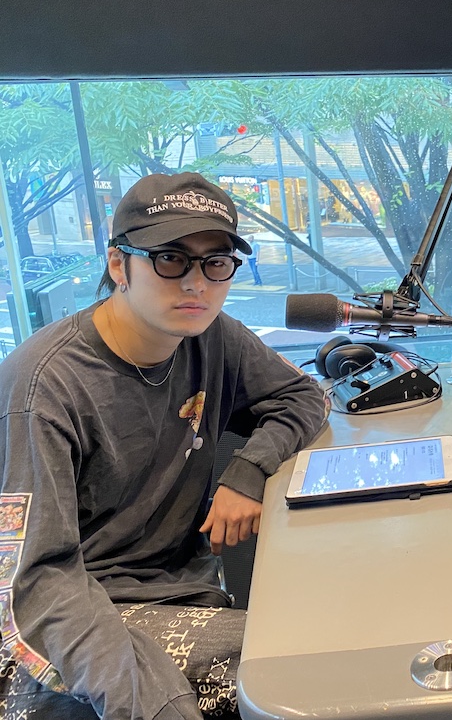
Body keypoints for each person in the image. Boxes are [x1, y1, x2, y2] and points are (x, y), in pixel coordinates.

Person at [0, 173, 327, 719]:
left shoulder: (211, 335)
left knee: (335, 642)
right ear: (118, 264)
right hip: (74, 621)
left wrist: (248, 471)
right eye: (170, 259)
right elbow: (36, 583)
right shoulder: (43, 389)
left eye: (215, 262)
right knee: (296, 669)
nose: (197, 284)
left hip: (180, 596)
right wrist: (153, 700)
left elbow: (302, 395)